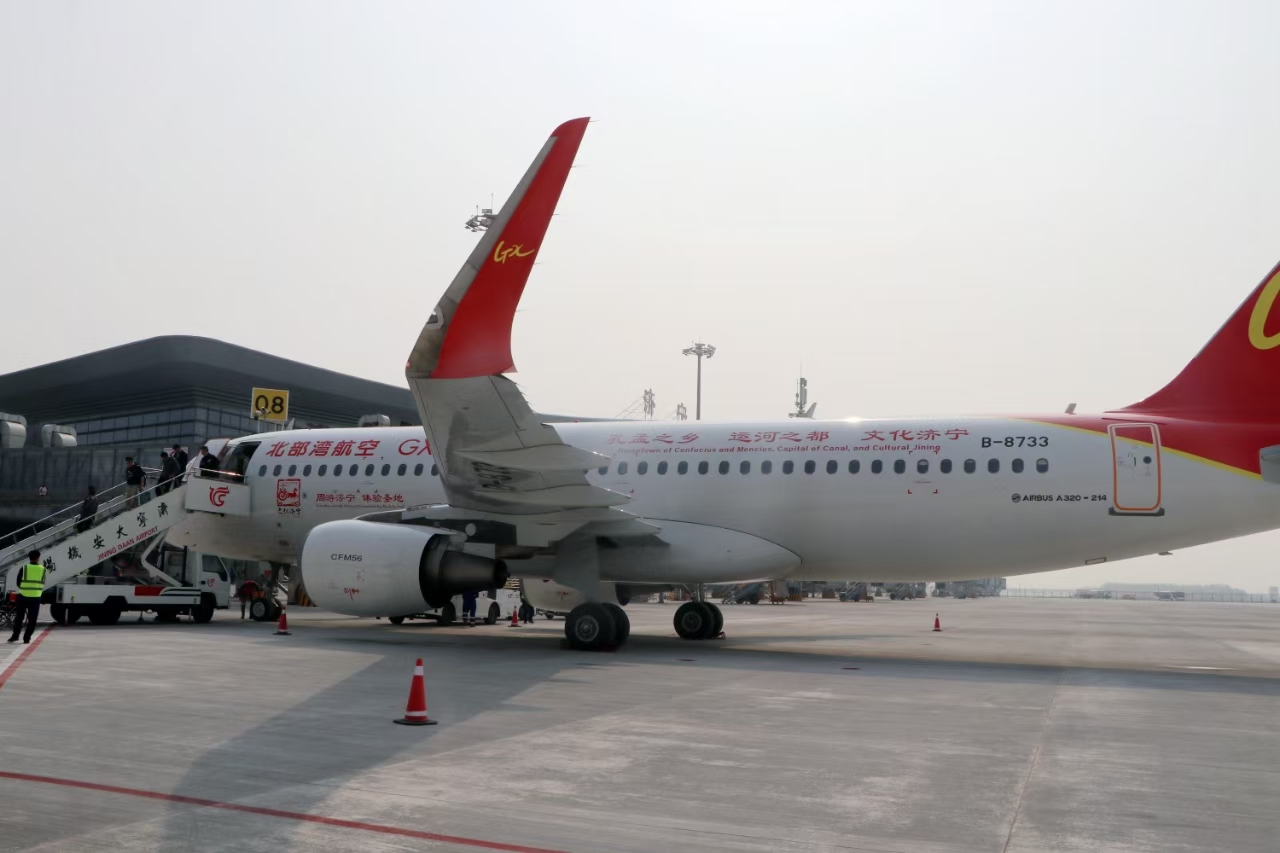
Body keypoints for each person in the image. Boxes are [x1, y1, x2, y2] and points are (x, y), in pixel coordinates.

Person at [8, 550, 45, 644]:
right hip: (36, 597)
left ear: (29, 558)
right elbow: (42, 582)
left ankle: (15, 636)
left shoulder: (24, 568)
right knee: (32, 619)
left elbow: (18, 582)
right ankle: (27, 638)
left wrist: (25, 588)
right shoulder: (43, 569)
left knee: (19, 617)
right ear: (38, 558)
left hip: (23, 596)